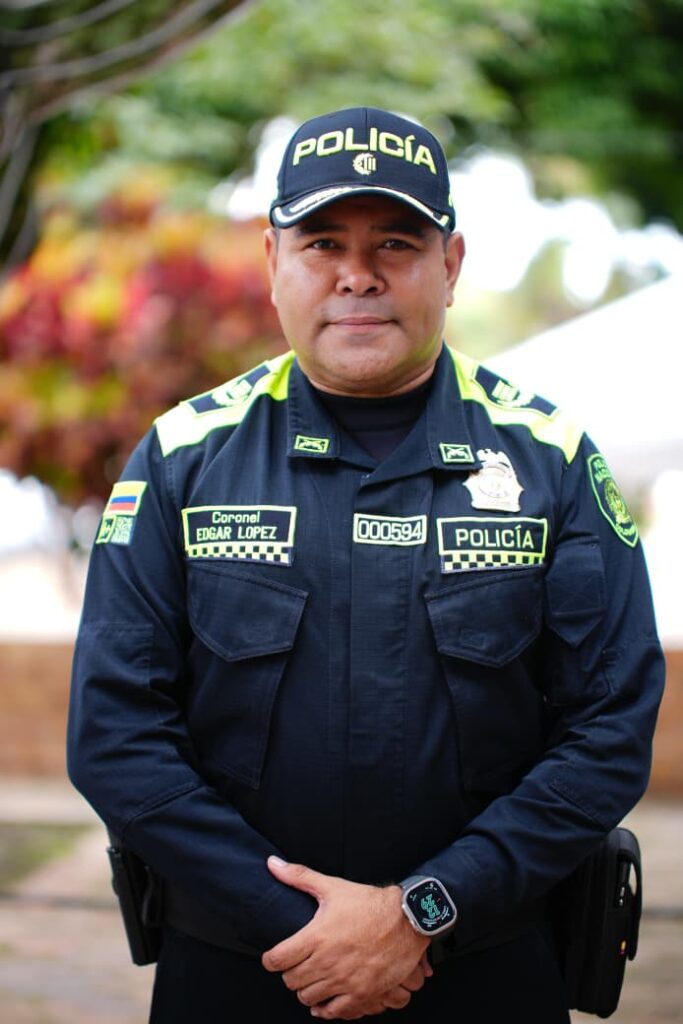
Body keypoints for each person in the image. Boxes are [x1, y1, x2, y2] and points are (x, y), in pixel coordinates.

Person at [67, 107, 664, 1023]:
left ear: (449, 265)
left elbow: (610, 727)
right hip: (244, 970)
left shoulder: (547, 459)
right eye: (321, 243)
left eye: (395, 242)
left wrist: (423, 913)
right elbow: (114, 735)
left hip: (485, 969)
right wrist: (307, 931)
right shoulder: (184, 457)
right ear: (272, 261)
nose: (357, 274)